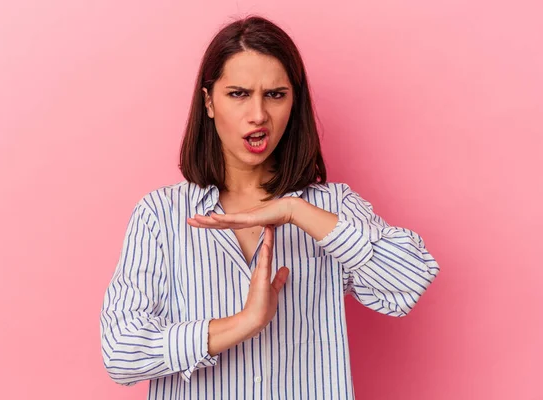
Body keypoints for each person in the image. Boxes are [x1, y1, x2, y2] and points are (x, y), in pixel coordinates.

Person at [99, 15, 440, 400]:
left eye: (275, 94)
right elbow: (121, 352)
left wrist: (297, 211)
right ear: (209, 101)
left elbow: (408, 283)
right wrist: (243, 323)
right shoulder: (160, 215)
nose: (258, 115)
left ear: (294, 102)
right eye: (238, 93)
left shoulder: (331, 208)